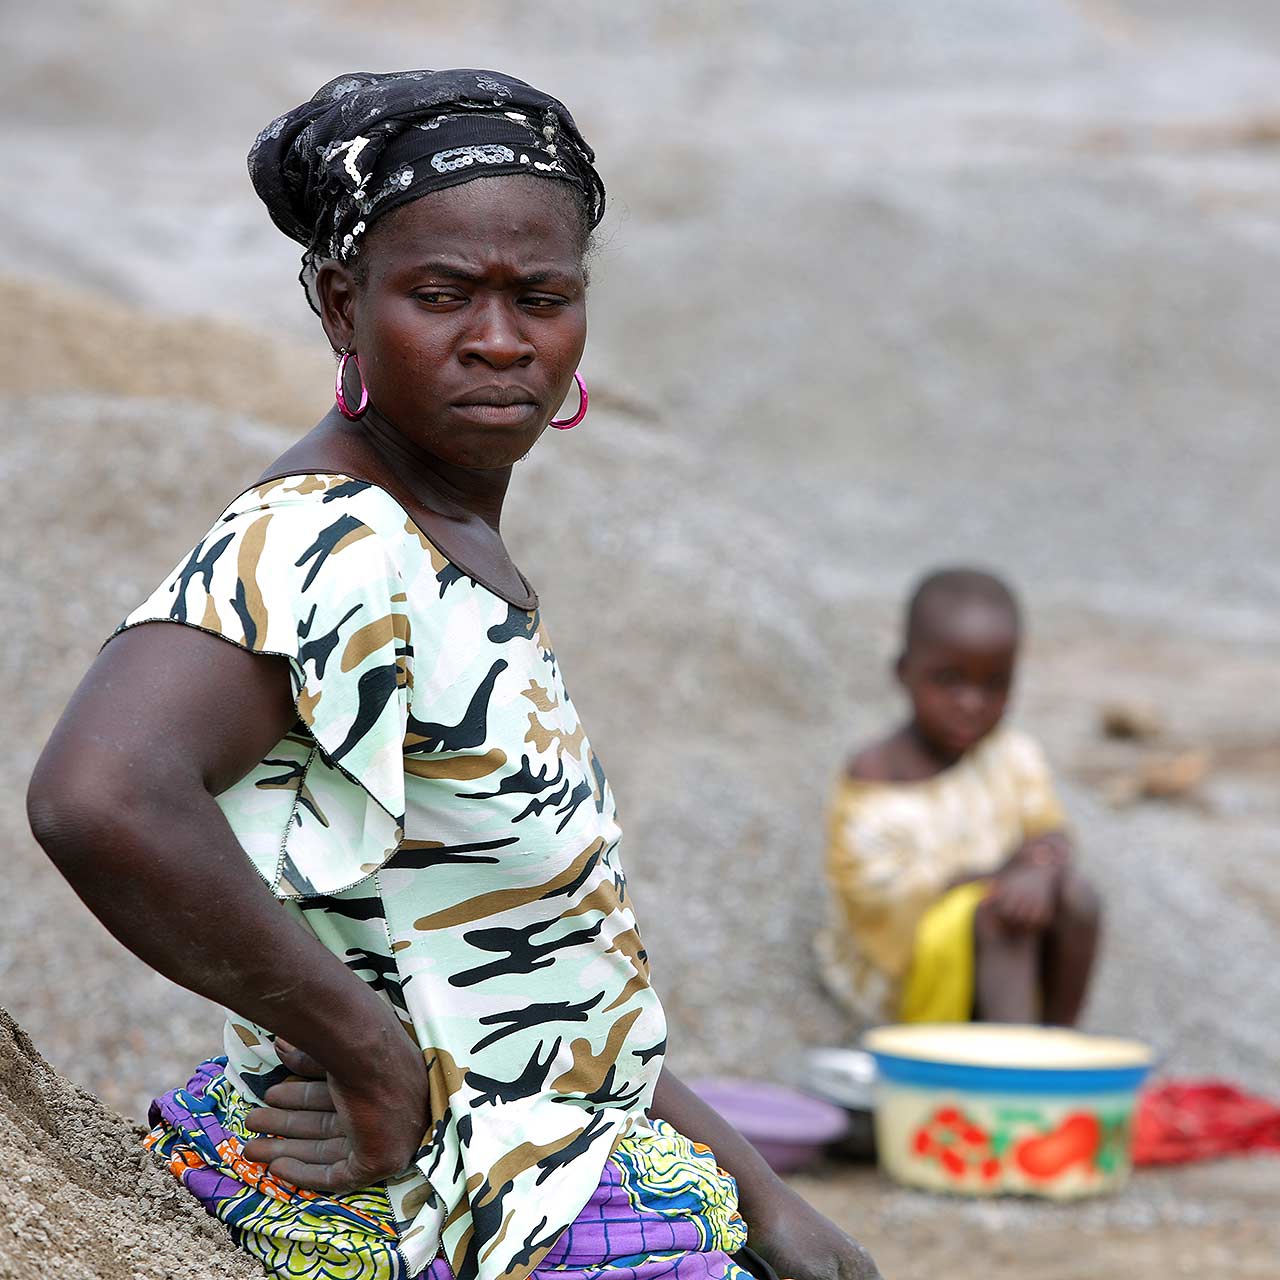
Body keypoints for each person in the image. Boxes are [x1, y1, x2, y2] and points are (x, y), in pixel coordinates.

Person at [26, 71, 879, 1280]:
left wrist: (758, 1188)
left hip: (545, 1159)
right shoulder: (325, 540)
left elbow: (538, 971)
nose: (498, 338)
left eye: (541, 297)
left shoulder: (447, 541)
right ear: (342, 303)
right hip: (439, 1202)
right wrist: (371, 1057)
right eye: (440, 295)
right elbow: (99, 794)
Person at [815, 567, 1101, 1030]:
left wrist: (1041, 869)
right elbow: (885, 907)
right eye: (949, 680)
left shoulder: (1011, 756)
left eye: (994, 685)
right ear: (904, 672)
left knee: (1074, 895)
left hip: (993, 948)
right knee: (999, 913)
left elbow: (1049, 831)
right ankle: (1015, 1060)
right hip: (905, 972)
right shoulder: (876, 781)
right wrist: (1005, 879)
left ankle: (1060, 1038)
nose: (971, 703)